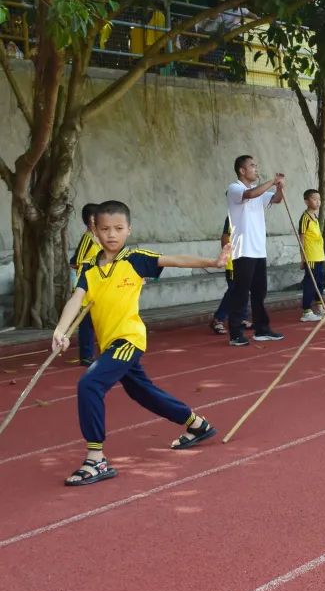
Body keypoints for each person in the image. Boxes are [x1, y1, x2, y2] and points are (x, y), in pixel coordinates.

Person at [51, 200, 229, 486]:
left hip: (129, 339)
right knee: (142, 392)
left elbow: (172, 260)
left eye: (119, 228)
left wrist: (212, 262)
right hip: (110, 344)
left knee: (89, 384)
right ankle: (196, 424)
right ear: (94, 231)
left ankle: (96, 460)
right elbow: (76, 299)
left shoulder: (134, 260)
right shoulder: (90, 271)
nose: (112, 234)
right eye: (105, 229)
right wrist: (61, 330)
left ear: (129, 230)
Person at [227, 155, 285, 347]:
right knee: (241, 293)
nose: (255, 168)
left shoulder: (258, 192)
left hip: (259, 250)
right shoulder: (235, 188)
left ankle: (262, 329)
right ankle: (235, 333)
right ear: (242, 171)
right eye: (252, 165)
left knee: (260, 292)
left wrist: (279, 187)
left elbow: (276, 200)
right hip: (243, 250)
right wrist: (271, 181)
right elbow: (250, 196)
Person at [69, 203, 100, 366]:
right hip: (87, 288)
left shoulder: (101, 239)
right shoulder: (87, 239)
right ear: (91, 219)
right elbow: (76, 262)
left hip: (101, 286)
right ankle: (86, 355)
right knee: (87, 322)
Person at [210, 216, 251, 334]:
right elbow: (225, 237)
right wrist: (226, 256)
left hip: (248, 259)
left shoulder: (253, 216)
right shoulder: (234, 215)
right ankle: (218, 318)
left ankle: (242, 318)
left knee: (245, 289)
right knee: (234, 290)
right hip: (234, 261)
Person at [299, 188, 325, 322]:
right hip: (311, 257)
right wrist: (302, 258)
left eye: (319, 199)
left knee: (320, 282)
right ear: (306, 201)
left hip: (320, 256)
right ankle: (306, 311)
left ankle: (320, 307)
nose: (318, 202)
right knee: (310, 283)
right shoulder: (305, 218)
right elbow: (301, 239)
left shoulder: (316, 217)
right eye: (314, 199)